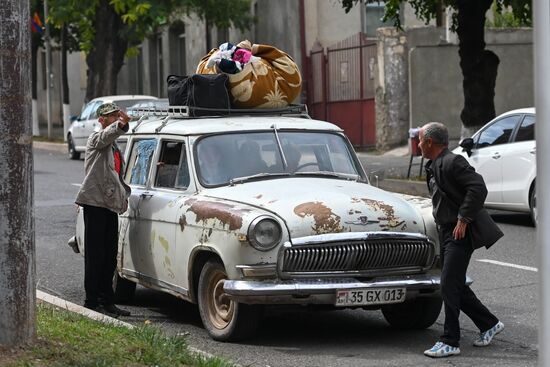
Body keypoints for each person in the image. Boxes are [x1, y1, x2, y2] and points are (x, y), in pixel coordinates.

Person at [418, 122, 504, 358]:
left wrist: (463, 219)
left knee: (448, 284)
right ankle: (489, 324)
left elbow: (478, 187)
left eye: (420, 140)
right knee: (454, 284)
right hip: (447, 231)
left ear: (429, 142)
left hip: (459, 232)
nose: (417, 144)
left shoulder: (453, 161)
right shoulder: (434, 164)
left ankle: (450, 340)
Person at [75, 102, 132, 318]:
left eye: (117, 114)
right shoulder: (96, 139)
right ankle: (91, 301)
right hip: (95, 203)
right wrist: (121, 124)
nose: (115, 118)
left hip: (109, 204)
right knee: (95, 256)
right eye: (111, 116)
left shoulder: (114, 146)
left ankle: (108, 301)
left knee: (109, 256)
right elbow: (106, 136)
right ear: (101, 120)